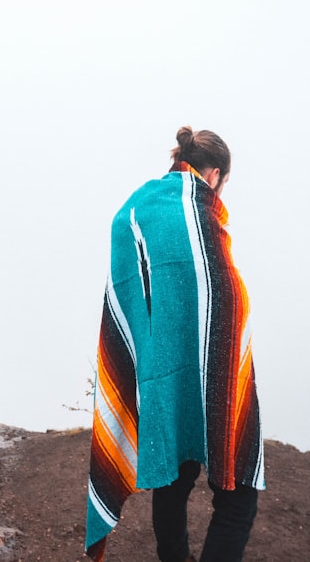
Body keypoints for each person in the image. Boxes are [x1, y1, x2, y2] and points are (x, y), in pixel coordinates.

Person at [85, 126, 264, 562]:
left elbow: (129, 273)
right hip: (216, 373)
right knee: (239, 497)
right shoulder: (202, 210)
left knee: (173, 479)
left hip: (163, 377)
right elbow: (222, 292)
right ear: (216, 173)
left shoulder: (138, 208)